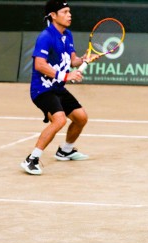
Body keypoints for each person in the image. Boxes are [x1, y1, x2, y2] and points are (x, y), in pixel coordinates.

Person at [20, 0, 95, 175]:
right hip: (42, 89)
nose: (69, 15)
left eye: (70, 11)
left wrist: (83, 59)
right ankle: (32, 159)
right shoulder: (46, 36)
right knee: (59, 120)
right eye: (65, 12)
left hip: (58, 88)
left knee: (81, 118)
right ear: (53, 15)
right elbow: (39, 64)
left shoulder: (67, 34)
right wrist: (66, 76)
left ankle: (65, 150)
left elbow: (73, 60)